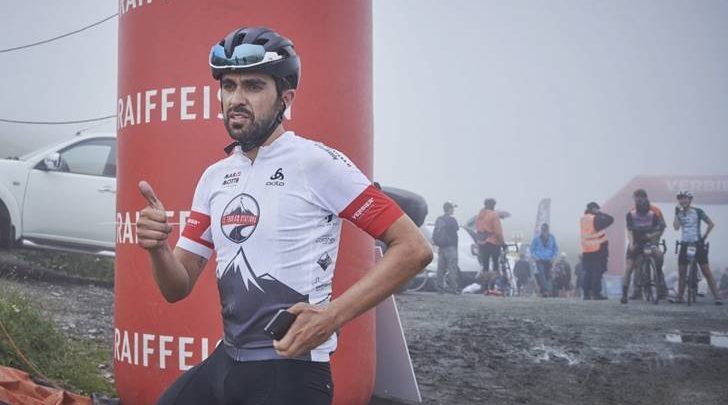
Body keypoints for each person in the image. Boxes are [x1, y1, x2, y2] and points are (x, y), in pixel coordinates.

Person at [136, 26, 432, 405]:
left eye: (254, 86)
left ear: (284, 98)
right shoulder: (214, 177)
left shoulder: (315, 162)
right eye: (228, 86)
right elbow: (176, 288)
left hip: (291, 373)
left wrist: (332, 316)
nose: (237, 99)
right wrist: (157, 248)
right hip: (227, 361)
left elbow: (413, 247)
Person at [673, 191, 722, 305]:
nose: (682, 200)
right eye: (680, 199)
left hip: (698, 244)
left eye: (685, 198)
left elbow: (711, 223)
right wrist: (676, 214)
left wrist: (704, 236)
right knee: (681, 272)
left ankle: (717, 297)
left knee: (706, 271)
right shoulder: (679, 213)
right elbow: (676, 227)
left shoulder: (698, 211)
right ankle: (680, 297)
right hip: (685, 244)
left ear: (690, 199)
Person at [622, 189, 666, 304]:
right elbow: (630, 230)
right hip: (636, 241)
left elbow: (661, 228)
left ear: (645, 198)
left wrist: (652, 238)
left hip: (650, 241)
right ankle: (629, 293)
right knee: (631, 267)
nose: (638, 201)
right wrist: (631, 244)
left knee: (659, 257)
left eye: (639, 199)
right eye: (636, 199)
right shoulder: (631, 213)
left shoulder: (655, 212)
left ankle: (658, 278)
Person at [580, 202, 614, 301]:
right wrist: (599, 213)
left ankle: (586, 294)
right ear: (594, 209)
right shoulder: (596, 218)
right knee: (597, 272)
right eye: (597, 209)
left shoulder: (583, 219)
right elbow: (611, 219)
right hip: (598, 248)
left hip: (587, 249)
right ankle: (596, 293)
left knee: (588, 272)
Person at [432, 201, 460, 294]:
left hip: (441, 247)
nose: (453, 211)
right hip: (451, 247)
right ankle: (453, 288)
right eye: (452, 209)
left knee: (440, 268)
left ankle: (440, 288)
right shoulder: (452, 220)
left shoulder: (439, 219)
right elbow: (456, 229)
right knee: (452, 268)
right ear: (449, 209)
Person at [475, 198, 504, 275]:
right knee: (495, 264)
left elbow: (477, 229)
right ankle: (494, 284)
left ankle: (485, 283)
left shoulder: (479, 215)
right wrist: (502, 242)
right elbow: (498, 231)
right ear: (492, 205)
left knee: (485, 265)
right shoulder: (494, 215)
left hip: (482, 242)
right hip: (493, 242)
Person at [530, 223, 558, 297]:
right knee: (541, 274)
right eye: (543, 230)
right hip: (539, 260)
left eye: (545, 230)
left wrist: (553, 257)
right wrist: (535, 257)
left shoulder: (552, 238)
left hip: (549, 260)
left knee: (547, 276)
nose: (544, 231)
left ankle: (544, 291)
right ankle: (546, 290)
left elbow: (555, 248)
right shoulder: (536, 239)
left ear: (548, 230)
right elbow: (532, 249)